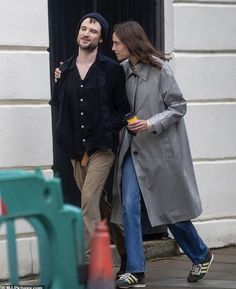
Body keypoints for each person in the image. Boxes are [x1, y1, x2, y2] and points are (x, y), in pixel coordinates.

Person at [111, 21, 214, 288]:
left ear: (130, 43)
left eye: (116, 43)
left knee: (171, 211)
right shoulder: (120, 71)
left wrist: (150, 123)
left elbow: (179, 106)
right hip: (132, 152)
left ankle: (201, 254)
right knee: (129, 207)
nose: (113, 48)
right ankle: (136, 270)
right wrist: (61, 74)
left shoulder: (160, 69)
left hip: (159, 152)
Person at [50, 12, 130, 269]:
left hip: (102, 148)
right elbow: (60, 106)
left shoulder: (112, 70)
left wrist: (107, 128)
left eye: (93, 31)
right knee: (99, 206)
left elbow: (122, 108)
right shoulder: (65, 69)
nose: (86, 33)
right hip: (75, 149)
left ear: (101, 38)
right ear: (78, 33)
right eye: (84, 28)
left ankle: (92, 266)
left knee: (87, 202)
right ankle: (127, 252)